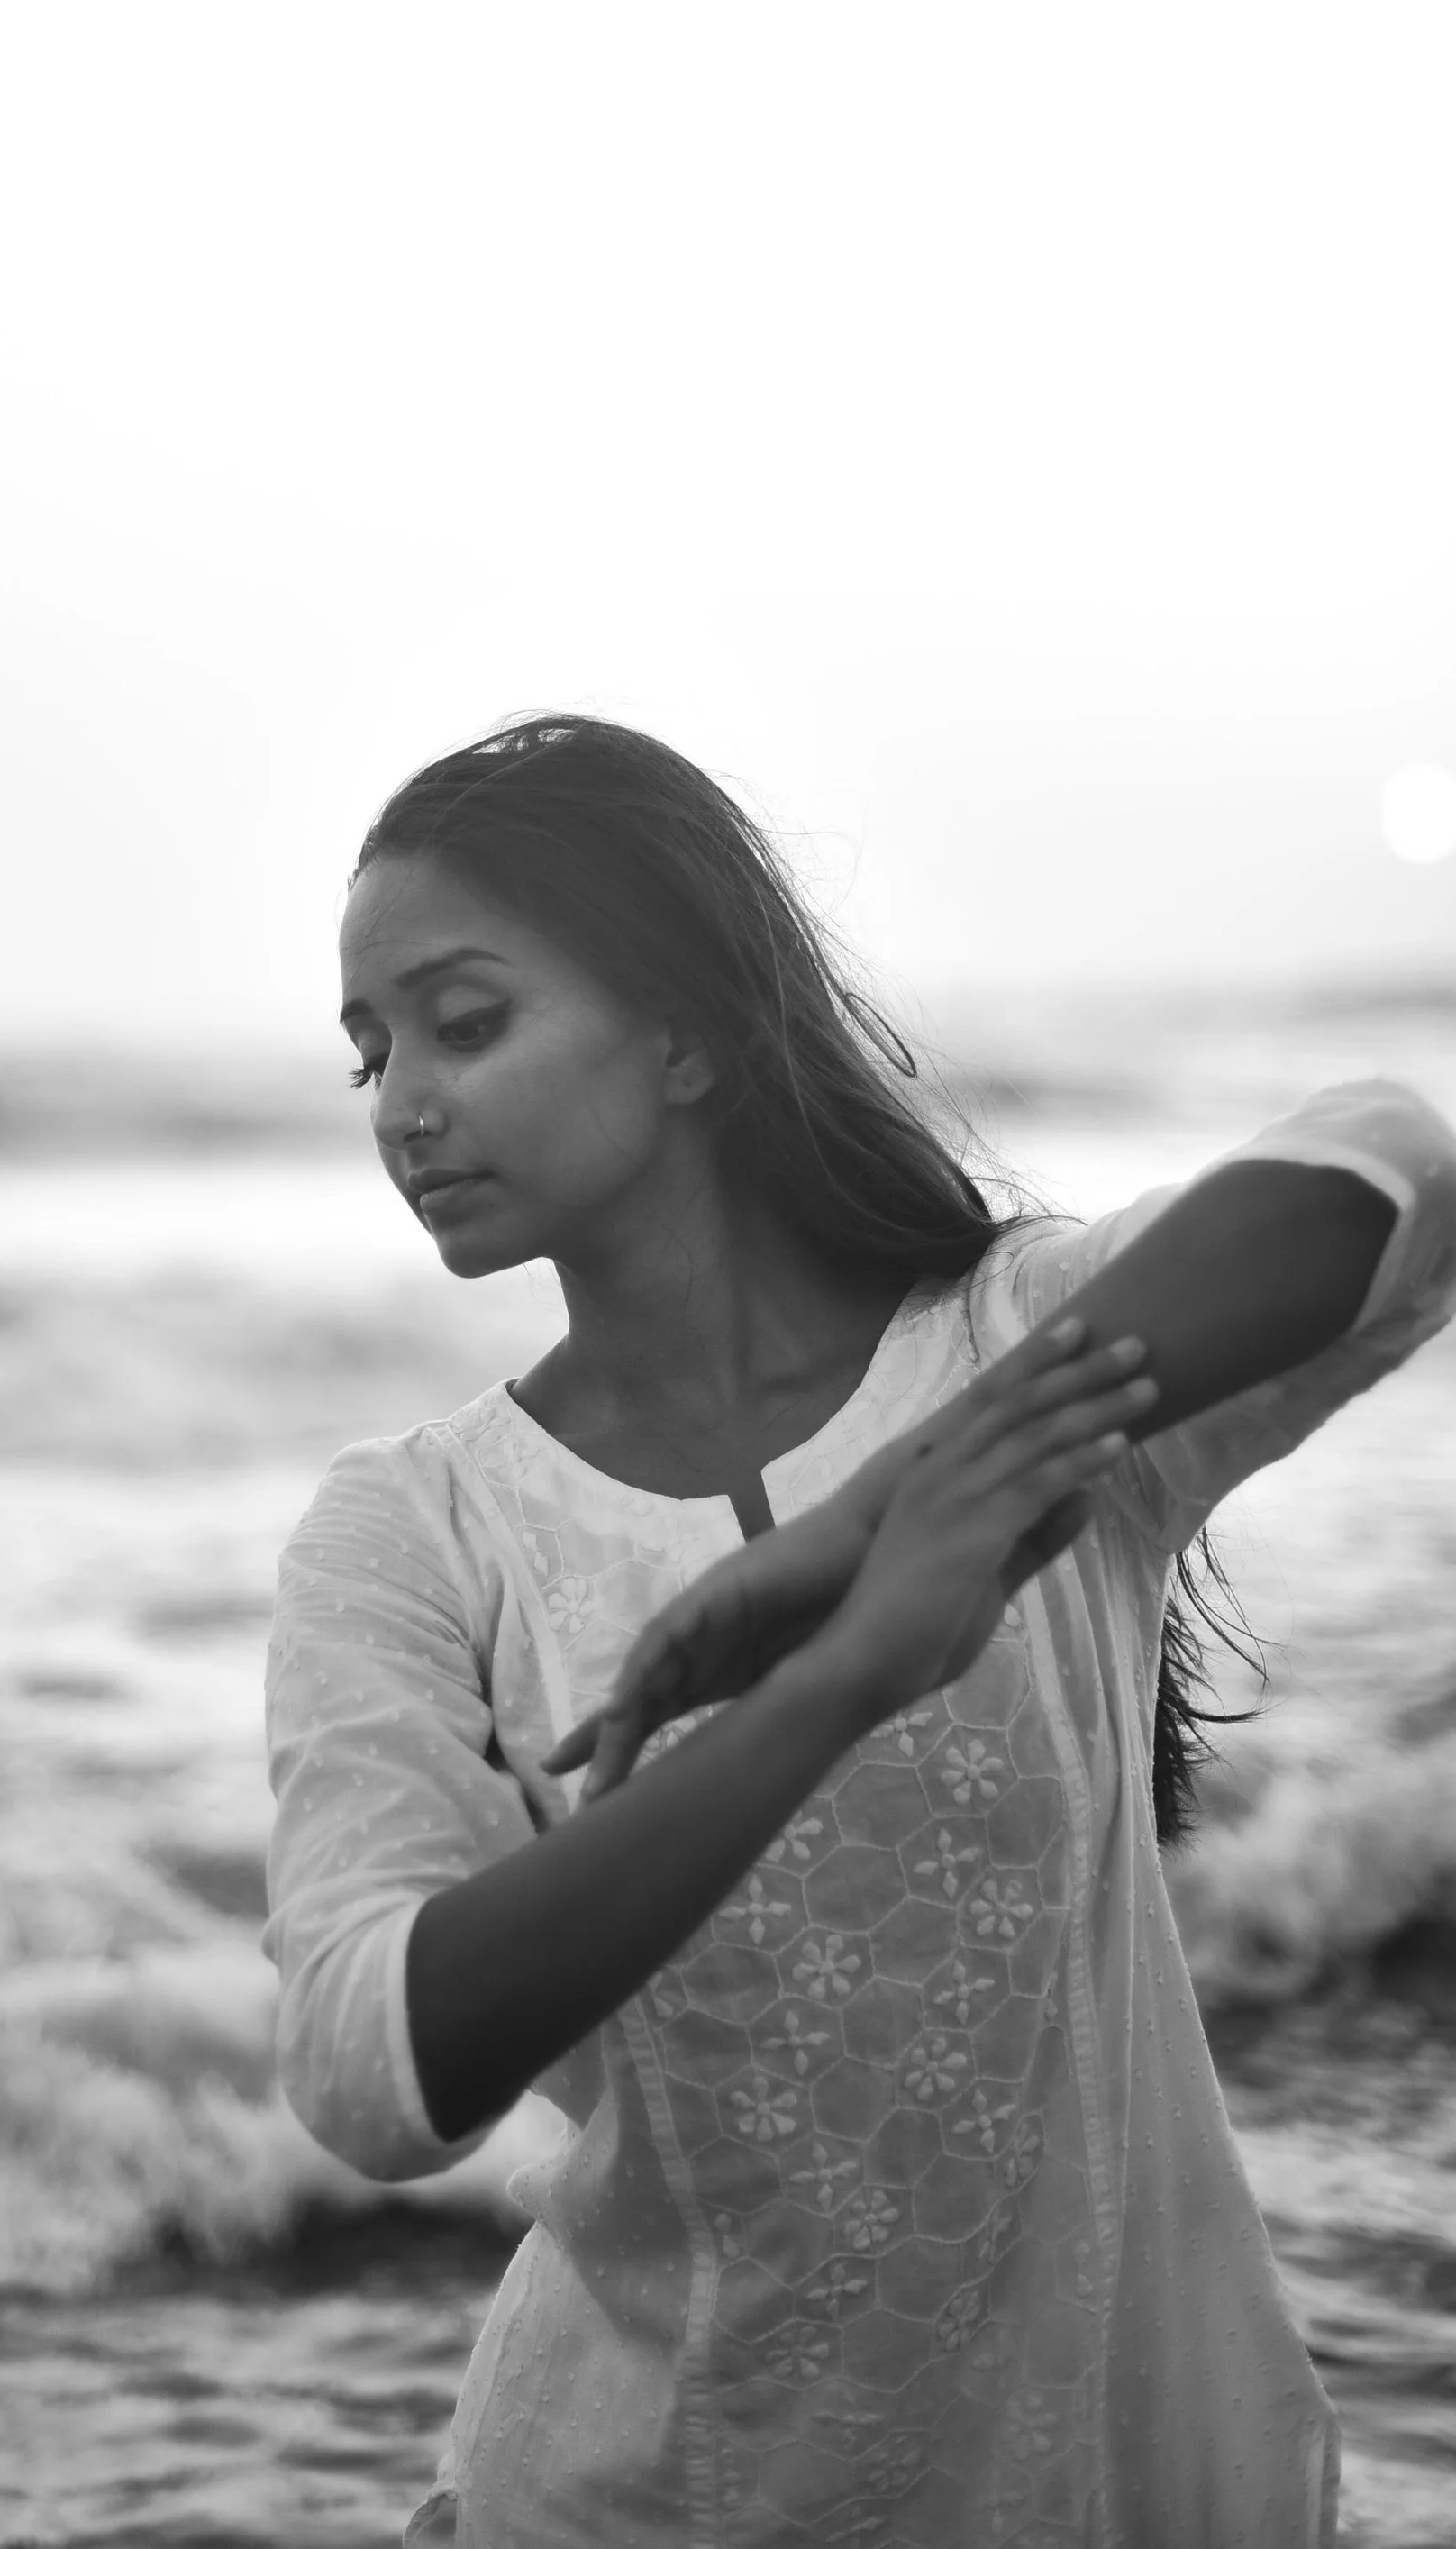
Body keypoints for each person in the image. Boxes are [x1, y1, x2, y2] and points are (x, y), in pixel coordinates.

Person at [261, 716, 1456, 2548]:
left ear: (686, 1032)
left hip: (1119, 2490)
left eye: (464, 1019)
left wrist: (858, 1522)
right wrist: (827, 1679)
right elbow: (369, 2067)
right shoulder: (417, 1528)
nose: (402, 1103)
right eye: (369, 1053)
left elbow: (1392, 1173)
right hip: (630, 2498)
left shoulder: (1017, 1349)